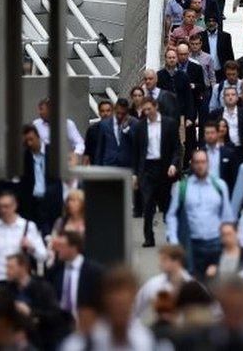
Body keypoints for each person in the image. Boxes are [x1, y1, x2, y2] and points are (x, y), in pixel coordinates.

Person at [166, 149, 235, 279]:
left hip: (215, 244)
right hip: (191, 244)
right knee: (194, 285)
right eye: (197, 162)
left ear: (208, 163)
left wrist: (229, 244)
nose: (200, 165)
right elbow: (171, 215)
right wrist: (174, 240)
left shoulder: (219, 186)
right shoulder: (182, 187)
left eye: (203, 162)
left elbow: (227, 216)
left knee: (216, 285)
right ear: (192, 164)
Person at [132, 97, 182, 248]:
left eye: (149, 109)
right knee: (147, 204)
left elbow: (176, 147)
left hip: (165, 168)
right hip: (147, 169)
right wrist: (135, 174)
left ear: (156, 107)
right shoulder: (140, 127)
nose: (147, 112)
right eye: (144, 110)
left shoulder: (169, 124)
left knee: (167, 204)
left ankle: (171, 235)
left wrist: (174, 164)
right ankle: (148, 237)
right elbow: (136, 152)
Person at [0, 253, 66, 349]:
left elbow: (55, 315)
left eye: (11, 267)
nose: (7, 271)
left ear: (23, 267)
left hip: (41, 341)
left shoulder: (43, 288)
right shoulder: (7, 290)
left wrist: (30, 312)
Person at [46, 230, 104, 331]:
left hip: (86, 324)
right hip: (60, 326)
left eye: (62, 246)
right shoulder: (54, 271)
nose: (57, 249)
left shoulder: (94, 271)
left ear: (73, 247)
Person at [0, 190, 48, 285]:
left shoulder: (28, 227)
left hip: (19, 281)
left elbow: (43, 256)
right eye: (0, 206)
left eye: (6, 206)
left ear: (15, 206)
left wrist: (32, 248)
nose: (3, 210)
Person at [18, 124, 63, 237]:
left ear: (38, 137)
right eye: (26, 141)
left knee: (53, 234)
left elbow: (58, 179)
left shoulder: (53, 152)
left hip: (52, 200)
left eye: (31, 139)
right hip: (33, 203)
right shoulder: (25, 156)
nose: (29, 143)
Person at [133, 245, 192, 320]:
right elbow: (135, 308)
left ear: (177, 261)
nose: (160, 264)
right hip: (160, 328)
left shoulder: (191, 284)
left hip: (186, 329)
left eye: (164, 260)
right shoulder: (153, 283)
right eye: (160, 260)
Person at [32, 98, 86, 167]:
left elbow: (80, 143)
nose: (39, 112)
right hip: (40, 163)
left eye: (41, 109)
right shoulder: (36, 124)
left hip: (61, 163)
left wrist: (75, 154)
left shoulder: (67, 124)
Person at [95, 98, 135, 169]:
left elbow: (137, 144)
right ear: (114, 109)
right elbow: (100, 147)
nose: (120, 116)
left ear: (127, 112)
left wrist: (126, 129)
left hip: (127, 165)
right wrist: (97, 167)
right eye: (118, 113)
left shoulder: (134, 123)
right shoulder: (104, 124)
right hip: (108, 164)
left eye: (123, 114)